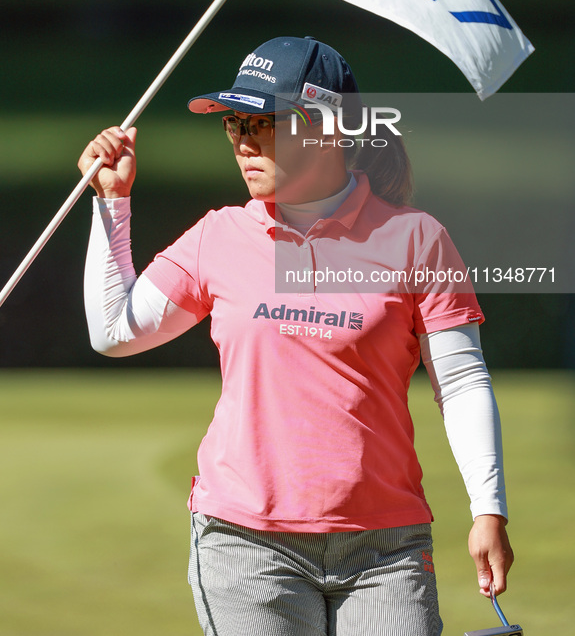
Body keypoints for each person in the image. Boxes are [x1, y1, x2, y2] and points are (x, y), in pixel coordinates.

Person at [78, 35, 513, 636]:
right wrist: (112, 202)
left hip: (386, 548)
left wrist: (488, 509)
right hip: (243, 543)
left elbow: (461, 384)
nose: (242, 140)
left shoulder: (418, 238)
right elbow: (113, 332)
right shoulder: (218, 235)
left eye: (264, 122)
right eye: (234, 122)